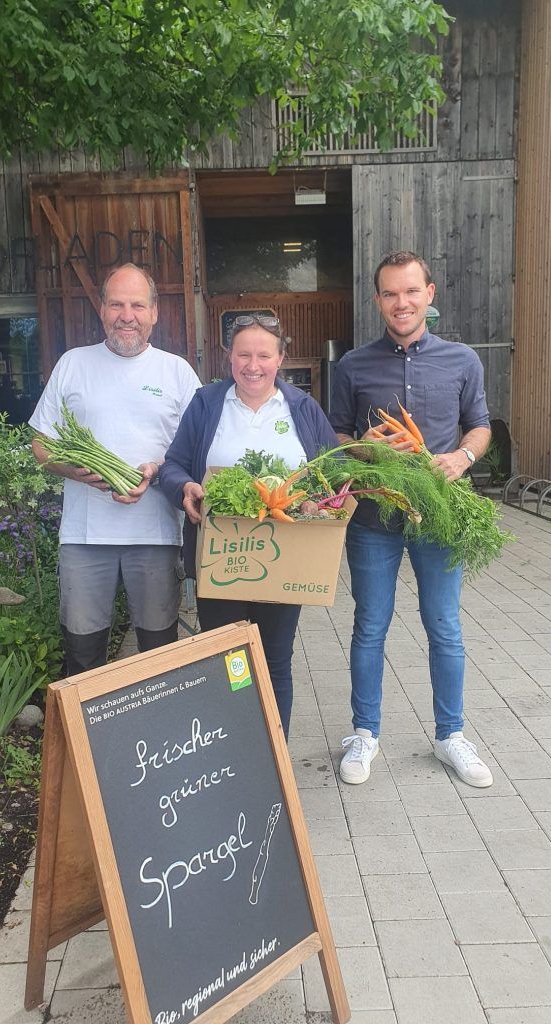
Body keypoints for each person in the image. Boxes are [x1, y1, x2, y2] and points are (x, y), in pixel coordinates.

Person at [330, 251, 494, 787]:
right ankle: (364, 733)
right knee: (369, 626)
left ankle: (451, 736)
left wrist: (462, 458)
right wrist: (361, 447)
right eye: (389, 294)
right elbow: (334, 437)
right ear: (377, 300)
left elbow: (480, 426)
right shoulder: (352, 365)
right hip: (373, 519)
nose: (400, 303)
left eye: (410, 292)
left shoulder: (462, 360)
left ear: (430, 293)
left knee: (444, 627)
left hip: (438, 517)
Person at [159, 315, 339, 737]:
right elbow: (173, 465)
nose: (252, 365)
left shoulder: (301, 408)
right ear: (229, 357)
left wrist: (320, 500)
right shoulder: (207, 403)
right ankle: (233, 754)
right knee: (227, 658)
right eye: (243, 354)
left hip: (285, 560)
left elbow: (337, 467)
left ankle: (274, 758)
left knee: (276, 659)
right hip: (222, 557)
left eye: (263, 355)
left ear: (281, 359)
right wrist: (185, 487)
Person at [30, 263, 201, 675]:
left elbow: (198, 449)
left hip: (157, 535)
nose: (128, 315)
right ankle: (86, 739)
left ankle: (158, 736)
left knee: (159, 653)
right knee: (83, 652)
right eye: (117, 304)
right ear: (103, 310)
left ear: (154, 312)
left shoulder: (176, 371)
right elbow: (41, 444)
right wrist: (75, 470)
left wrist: (158, 470)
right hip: (85, 538)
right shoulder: (74, 364)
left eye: (138, 305)